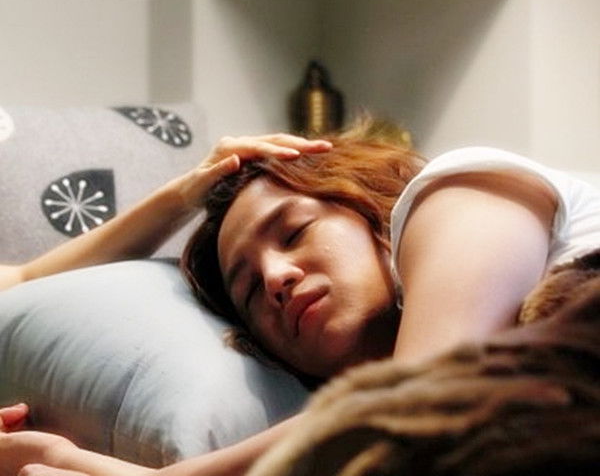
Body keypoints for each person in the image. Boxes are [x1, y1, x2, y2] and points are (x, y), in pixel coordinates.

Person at [1, 118, 600, 476]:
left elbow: (423, 404)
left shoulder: (457, 188)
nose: (276, 277)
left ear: (369, 208)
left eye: (294, 232)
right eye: (248, 290)